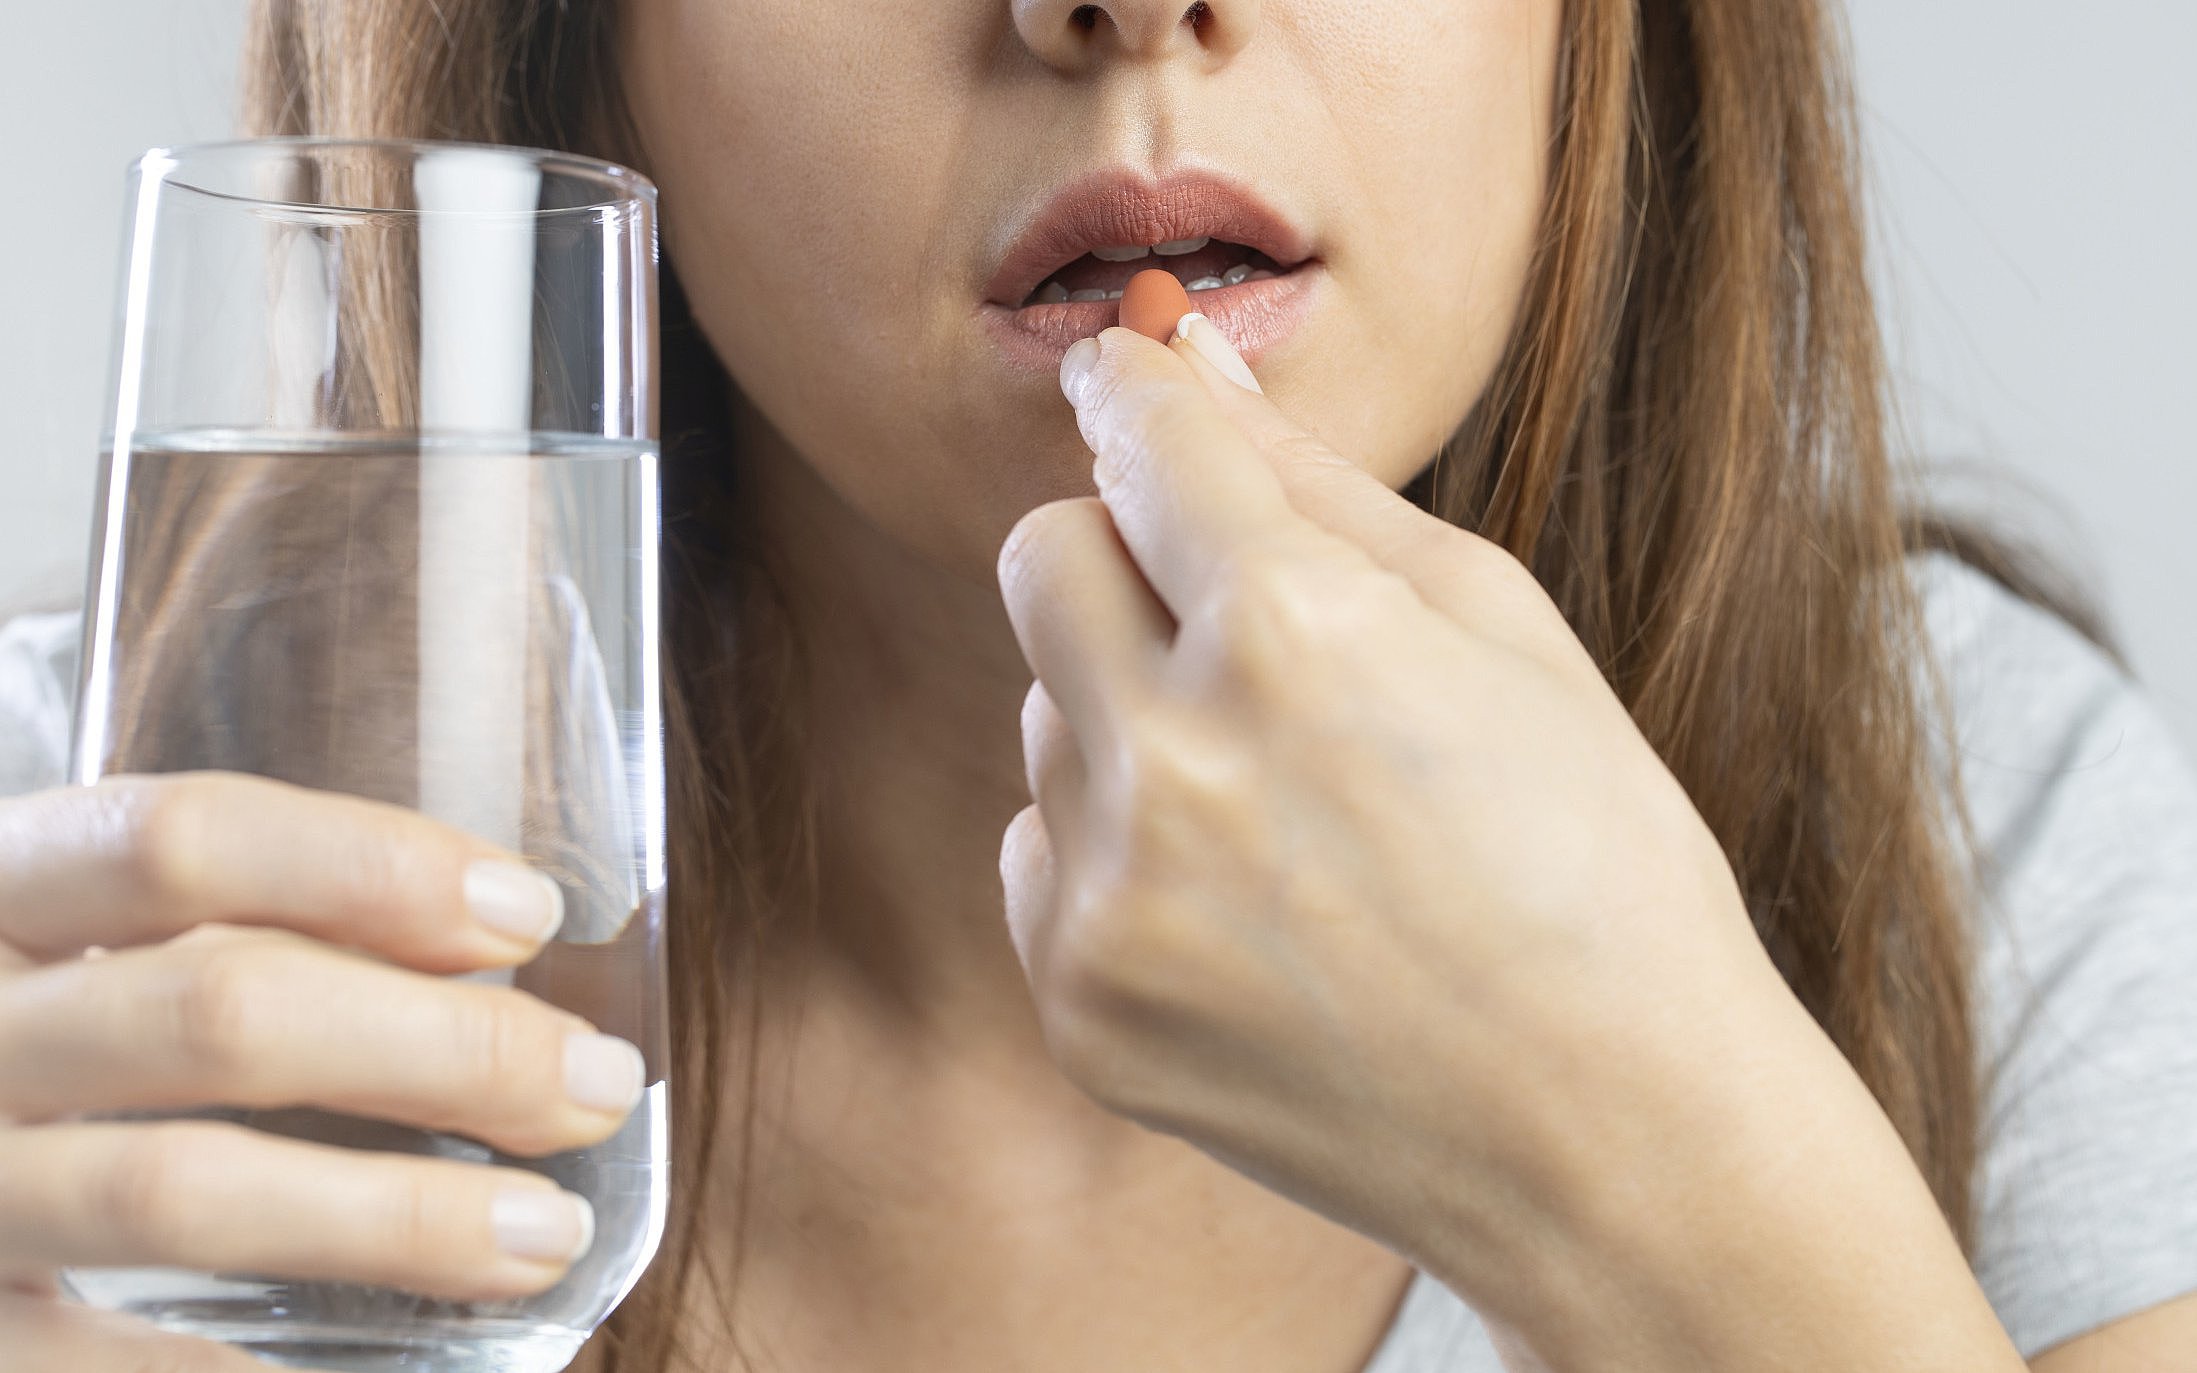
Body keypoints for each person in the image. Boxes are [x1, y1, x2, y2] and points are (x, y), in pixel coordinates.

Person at [3, 0, 2195, 1369]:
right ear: (572, 39)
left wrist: (1667, 1206)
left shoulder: (1978, 826)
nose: (1134, 8)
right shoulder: (72, 959)